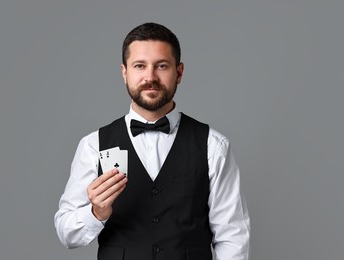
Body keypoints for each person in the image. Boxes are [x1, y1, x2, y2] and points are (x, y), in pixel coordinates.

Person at [54, 22, 250, 260]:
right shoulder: (93, 145)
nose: (150, 77)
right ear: (125, 72)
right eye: (139, 66)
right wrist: (97, 213)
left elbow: (233, 236)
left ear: (179, 72)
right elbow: (67, 234)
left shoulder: (213, 145)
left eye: (162, 66)